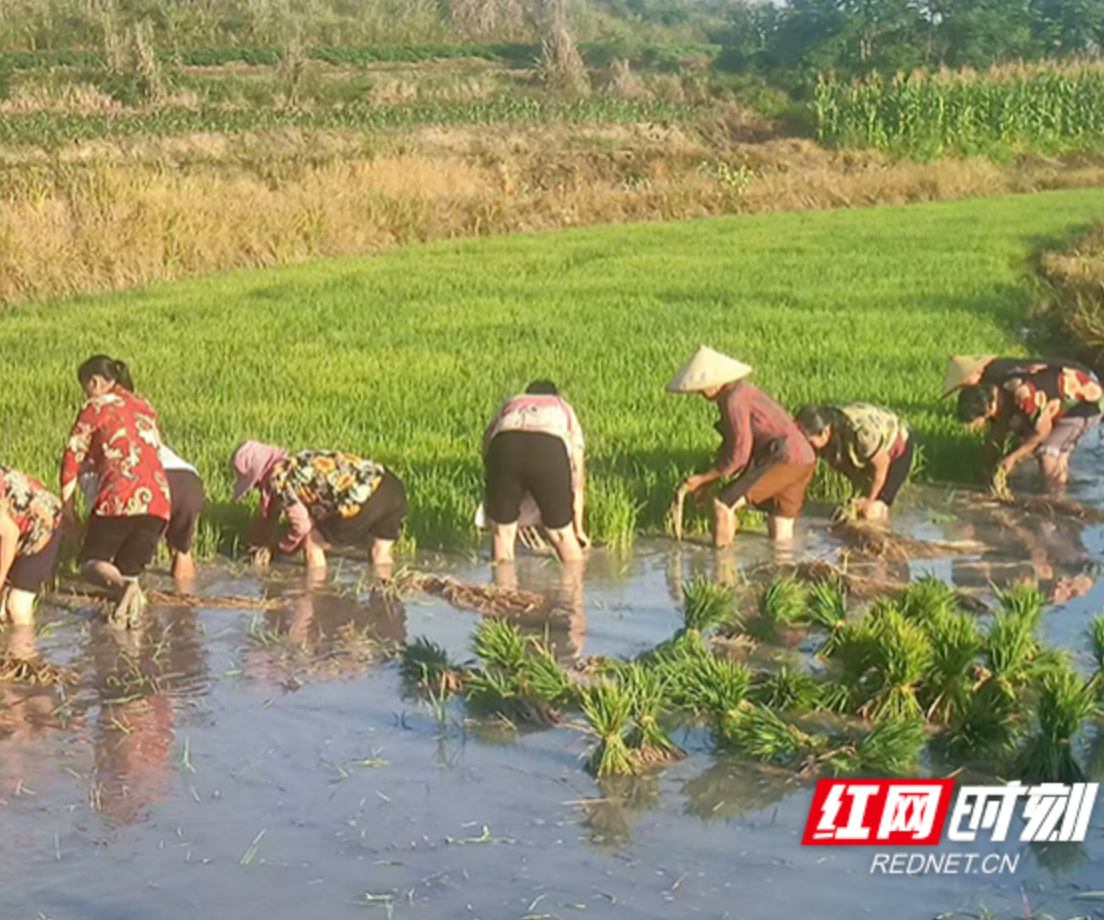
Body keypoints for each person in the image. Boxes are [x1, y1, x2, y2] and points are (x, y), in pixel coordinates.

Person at [60, 355, 171, 625]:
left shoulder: (95, 407)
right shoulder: (144, 404)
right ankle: (129, 634)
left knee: (90, 562)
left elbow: (71, 459)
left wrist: (69, 510)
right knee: (127, 571)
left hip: (120, 498)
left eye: (85, 386)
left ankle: (124, 590)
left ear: (95, 382)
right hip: (159, 502)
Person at [668, 346, 816, 546]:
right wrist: (708, 481)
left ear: (714, 383)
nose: (700, 394)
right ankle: (783, 573)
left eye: (701, 388)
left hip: (784, 458)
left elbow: (739, 455)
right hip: (804, 458)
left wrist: (703, 478)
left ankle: (722, 569)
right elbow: (732, 445)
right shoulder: (742, 392)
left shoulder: (733, 400)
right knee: (780, 528)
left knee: (722, 504)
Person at [77, 363, 205, 585]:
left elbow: (103, 510)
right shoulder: (141, 417)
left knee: (113, 555)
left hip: (152, 483)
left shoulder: (100, 451)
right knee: (182, 550)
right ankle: (185, 607)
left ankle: (127, 591)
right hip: (189, 483)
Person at [232, 441, 405, 575]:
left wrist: (280, 548)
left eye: (254, 485)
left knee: (312, 543)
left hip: (363, 499)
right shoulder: (297, 462)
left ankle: (316, 598)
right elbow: (277, 510)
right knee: (380, 554)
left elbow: (302, 526)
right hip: (390, 486)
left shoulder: (279, 480)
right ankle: (385, 605)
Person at [481, 380, 588, 564]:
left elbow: (487, 445)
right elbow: (577, 478)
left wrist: (498, 483)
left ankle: (502, 592)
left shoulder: (511, 403)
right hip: (549, 446)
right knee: (561, 535)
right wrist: (578, 530)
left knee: (503, 533)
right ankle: (574, 588)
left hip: (505, 445)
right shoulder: (563, 408)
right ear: (555, 395)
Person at [956, 363, 1104, 491]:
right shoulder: (998, 390)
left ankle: (1054, 498)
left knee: (1047, 451)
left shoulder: (1026, 398)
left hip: (1087, 404)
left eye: (979, 419)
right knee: (1028, 432)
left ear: (989, 408)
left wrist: (1013, 458)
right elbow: (997, 434)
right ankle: (1058, 481)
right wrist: (985, 472)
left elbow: (1042, 433)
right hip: (1061, 401)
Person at [795, 403, 913, 522]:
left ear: (825, 432)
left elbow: (881, 465)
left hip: (896, 449)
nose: (805, 447)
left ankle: (883, 535)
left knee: (873, 509)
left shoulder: (861, 433)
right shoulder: (828, 439)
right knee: (856, 508)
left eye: (809, 442)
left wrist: (870, 500)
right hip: (866, 451)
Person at [0, 466, 63, 626]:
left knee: (17, 605)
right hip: (17, 520)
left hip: (43, 521)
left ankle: (24, 650)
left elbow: (10, 533)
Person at [942, 354, 1097, 399]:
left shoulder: (995, 375)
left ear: (975, 372)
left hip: (1078, 379)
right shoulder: (994, 369)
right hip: (1074, 376)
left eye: (964, 383)